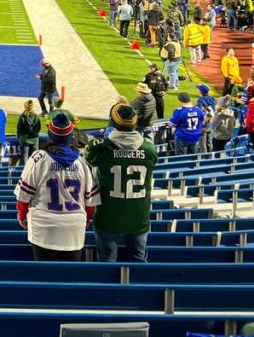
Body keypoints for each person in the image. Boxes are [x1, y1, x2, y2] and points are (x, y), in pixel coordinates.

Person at [15, 112, 99, 261]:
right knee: (70, 279)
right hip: (74, 228)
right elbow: (91, 204)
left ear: (50, 135)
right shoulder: (82, 163)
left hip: (43, 227)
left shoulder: (38, 159)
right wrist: (84, 221)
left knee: (45, 277)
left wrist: (22, 216)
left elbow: (23, 196)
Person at [84, 104, 157, 263]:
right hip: (138, 215)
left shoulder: (101, 148)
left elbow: (88, 157)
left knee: (107, 261)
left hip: (108, 215)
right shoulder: (150, 149)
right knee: (138, 262)